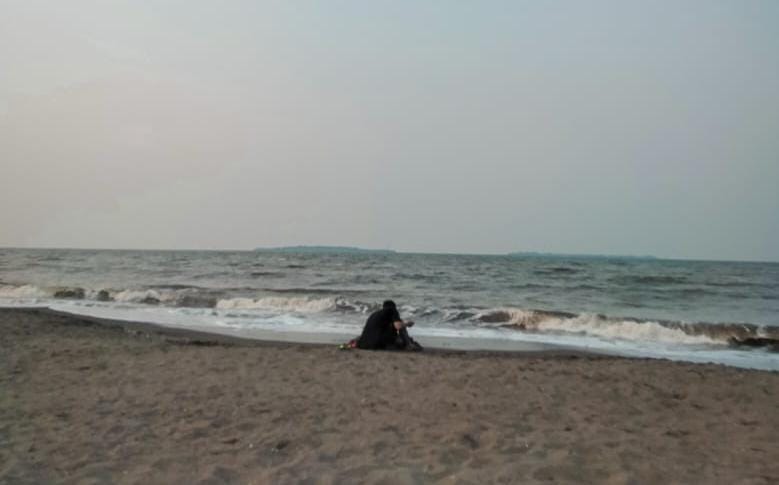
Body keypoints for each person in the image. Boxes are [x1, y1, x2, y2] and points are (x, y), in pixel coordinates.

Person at [356, 300, 422, 351]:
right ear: (394, 307)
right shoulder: (392, 310)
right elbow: (398, 326)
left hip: (365, 344)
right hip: (379, 344)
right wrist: (408, 324)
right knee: (401, 324)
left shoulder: (374, 314)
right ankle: (409, 345)